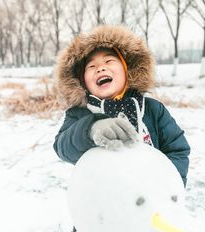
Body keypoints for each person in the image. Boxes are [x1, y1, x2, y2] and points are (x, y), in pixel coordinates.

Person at [53, 25, 190, 187]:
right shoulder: (79, 114)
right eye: (91, 66)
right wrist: (90, 129)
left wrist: (169, 186)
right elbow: (62, 147)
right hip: (103, 202)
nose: (100, 68)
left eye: (109, 60)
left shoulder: (153, 109)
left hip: (151, 199)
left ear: (127, 70)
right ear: (82, 81)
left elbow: (177, 149)